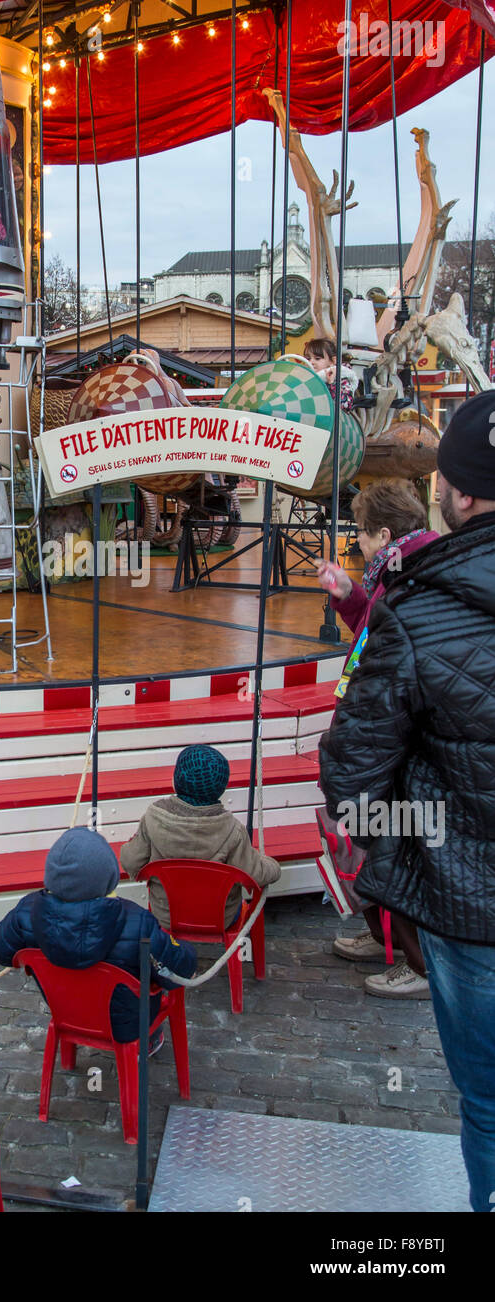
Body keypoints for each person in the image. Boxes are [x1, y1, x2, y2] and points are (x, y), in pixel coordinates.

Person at [318, 390, 495, 1212]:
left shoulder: (417, 613)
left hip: (471, 901)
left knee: (489, 1101)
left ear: (455, 495)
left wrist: (408, 843)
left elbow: (352, 781)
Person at [317, 478, 438, 998]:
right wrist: (351, 597)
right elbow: (373, 629)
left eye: (362, 535)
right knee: (357, 832)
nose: (357, 544)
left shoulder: (415, 579)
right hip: (372, 724)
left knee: (383, 839)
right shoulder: (394, 573)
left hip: (389, 733)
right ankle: (381, 932)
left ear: (384, 533)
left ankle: (417, 961)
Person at [0, 826, 196, 1050]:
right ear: (108, 877)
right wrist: (186, 949)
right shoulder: (138, 922)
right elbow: (180, 970)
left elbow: (0, 951)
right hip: (126, 1026)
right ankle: (149, 1043)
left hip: (65, 1013)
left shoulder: (26, 912)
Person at [120, 743, 281, 928]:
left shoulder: (153, 817)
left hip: (166, 915)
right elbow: (256, 873)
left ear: (176, 780)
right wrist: (273, 866)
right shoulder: (233, 830)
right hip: (219, 918)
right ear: (222, 788)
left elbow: (130, 861)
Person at [303, 336, 355, 412]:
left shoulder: (341, 379)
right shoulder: (305, 380)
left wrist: (331, 384)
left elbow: (345, 405)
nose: (311, 362)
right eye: (308, 359)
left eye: (317, 359)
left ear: (332, 361)